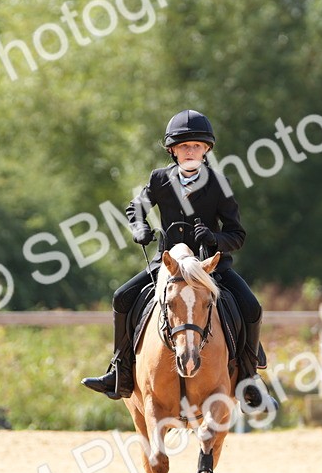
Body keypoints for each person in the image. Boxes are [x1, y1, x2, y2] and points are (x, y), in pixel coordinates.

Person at [81, 109, 265, 403]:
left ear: (206, 150)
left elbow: (237, 234)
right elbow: (136, 208)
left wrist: (214, 239)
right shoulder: (159, 179)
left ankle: (249, 376)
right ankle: (120, 370)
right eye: (183, 146)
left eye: (196, 146)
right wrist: (140, 227)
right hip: (167, 266)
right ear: (173, 151)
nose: (190, 151)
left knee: (252, 308)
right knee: (121, 298)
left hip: (208, 269)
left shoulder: (219, 184)